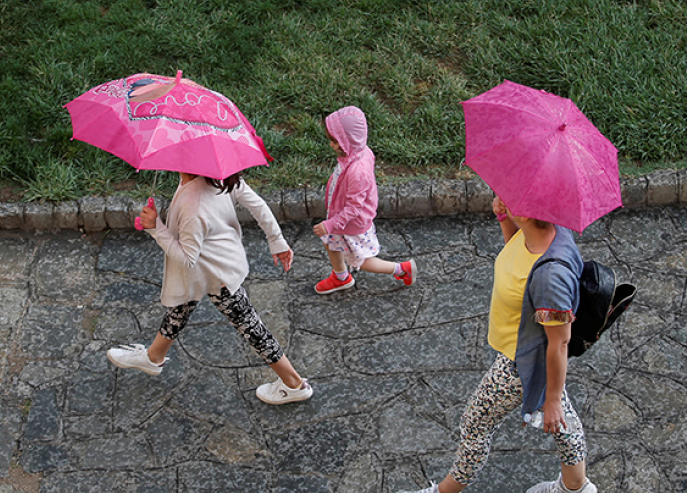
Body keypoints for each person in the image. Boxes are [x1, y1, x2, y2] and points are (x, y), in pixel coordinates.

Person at [404, 196, 596, 493]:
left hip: (520, 362)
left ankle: (443, 492)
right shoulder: (540, 232)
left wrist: (553, 398)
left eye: (511, 195)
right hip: (522, 348)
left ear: (528, 210)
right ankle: (576, 487)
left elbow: (559, 344)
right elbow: (513, 254)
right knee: (562, 420)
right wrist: (506, 218)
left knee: (475, 423)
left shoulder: (551, 276)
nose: (501, 196)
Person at [105, 170, 313, 405]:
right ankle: (154, 356)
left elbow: (186, 258)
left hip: (215, 273)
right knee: (182, 305)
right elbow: (258, 204)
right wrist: (277, 240)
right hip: (214, 261)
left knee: (249, 325)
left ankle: (294, 383)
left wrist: (155, 228)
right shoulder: (216, 176)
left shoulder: (194, 204)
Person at [312, 106, 416, 294]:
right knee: (330, 242)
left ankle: (402, 269)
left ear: (348, 140)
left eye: (335, 141)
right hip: (341, 219)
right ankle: (340, 276)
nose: (331, 145)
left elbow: (353, 208)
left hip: (350, 223)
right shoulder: (358, 152)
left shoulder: (357, 171)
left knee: (361, 260)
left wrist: (330, 224)